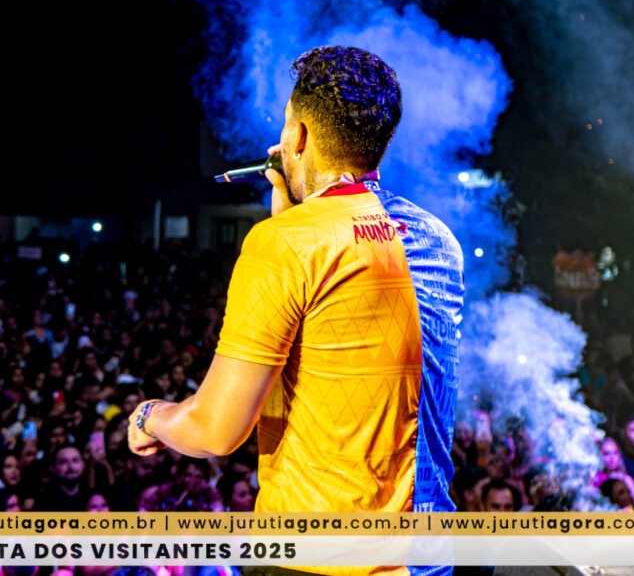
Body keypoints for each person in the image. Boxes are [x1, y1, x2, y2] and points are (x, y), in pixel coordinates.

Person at [128, 46, 464, 573]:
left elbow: (215, 430)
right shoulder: (438, 238)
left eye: (286, 122)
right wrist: (293, 221)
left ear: (298, 135)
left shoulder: (287, 244)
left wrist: (150, 416)